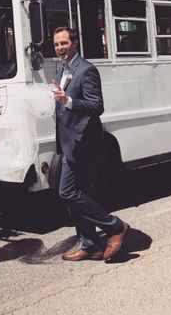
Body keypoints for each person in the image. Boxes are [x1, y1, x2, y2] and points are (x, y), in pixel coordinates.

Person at [52, 27, 129, 262]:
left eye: (64, 43)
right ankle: (90, 245)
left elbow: (97, 106)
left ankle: (115, 226)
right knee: (78, 193)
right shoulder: (65, 69)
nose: (60, 48)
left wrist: (69, 101)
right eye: (56, 44)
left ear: (75, 42)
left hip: (84, 142)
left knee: (68, 191)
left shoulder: (86, 70)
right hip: (68, 141)